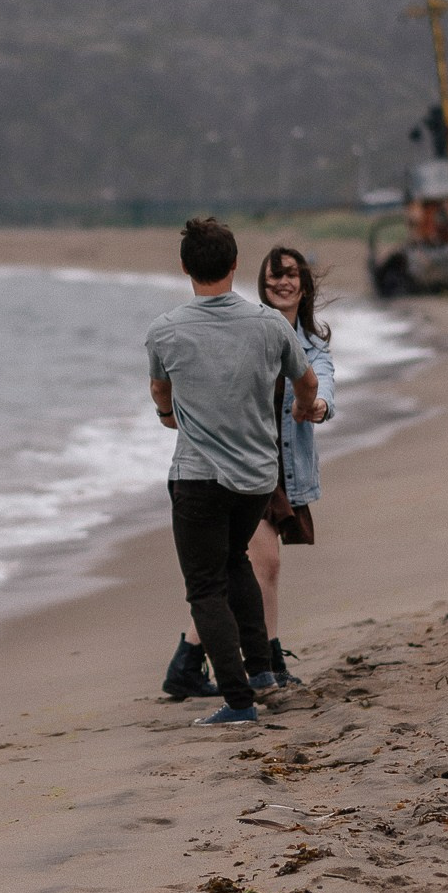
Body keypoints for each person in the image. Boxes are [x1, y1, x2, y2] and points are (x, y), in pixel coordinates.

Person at [147, 218, 318, 726]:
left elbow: (160, 393)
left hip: (198, 479)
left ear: (184, 267)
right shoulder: (270, 325)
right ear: (236, 264)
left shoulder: (166, 329)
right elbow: (305, 382)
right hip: (255, 480)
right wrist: (305, 407)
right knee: (235, 564)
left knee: (205, 588)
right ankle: (262, 672)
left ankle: (239, 703)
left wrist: (166, 415)